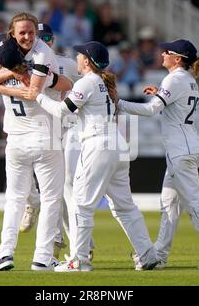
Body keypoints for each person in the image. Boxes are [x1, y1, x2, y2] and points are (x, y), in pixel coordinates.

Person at [22, 41, 159, 272]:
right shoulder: (102, 83)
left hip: (98, 145)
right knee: (125, 206)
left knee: (81, 205)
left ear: (86, 61)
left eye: (79, 55)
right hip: (117, 145)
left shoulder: (87, 82)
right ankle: (147, 255)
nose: (76, 58)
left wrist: (38, 96)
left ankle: (79, 260)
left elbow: (61, 110)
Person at [117, 39, 199, 269]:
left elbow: (150, 110)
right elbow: (175, 105)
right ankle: (159, 254)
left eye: (167, 51)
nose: (162, 54)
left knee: (196, 204)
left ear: (177, 59)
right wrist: (160, 93)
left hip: (181, 151)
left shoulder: (175, 78)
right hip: (187, 148)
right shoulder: (188, 79)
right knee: (169, 203)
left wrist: (117, 103)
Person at [0, 12, 72, 272]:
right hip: (35, 138)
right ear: (12, 33)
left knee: (18, 199)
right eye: (22, 32)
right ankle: (33, 257)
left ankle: (8, 254)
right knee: (44, 199)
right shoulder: (14, 52)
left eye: (31, 32)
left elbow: (23, 90)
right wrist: (9, 77)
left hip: (28, 138)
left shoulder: (37, 54)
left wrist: (3, 84)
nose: (28, 37)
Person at [18, 23, 96, 260]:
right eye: (42, 37)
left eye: (48, 37)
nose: (46, 41)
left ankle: (71, 243)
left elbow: (86, 84)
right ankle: (50, 227)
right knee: (46, 186)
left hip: (67, 131)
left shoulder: (68, 63)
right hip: (38, 128)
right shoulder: (23, 63)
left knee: (64, 190)